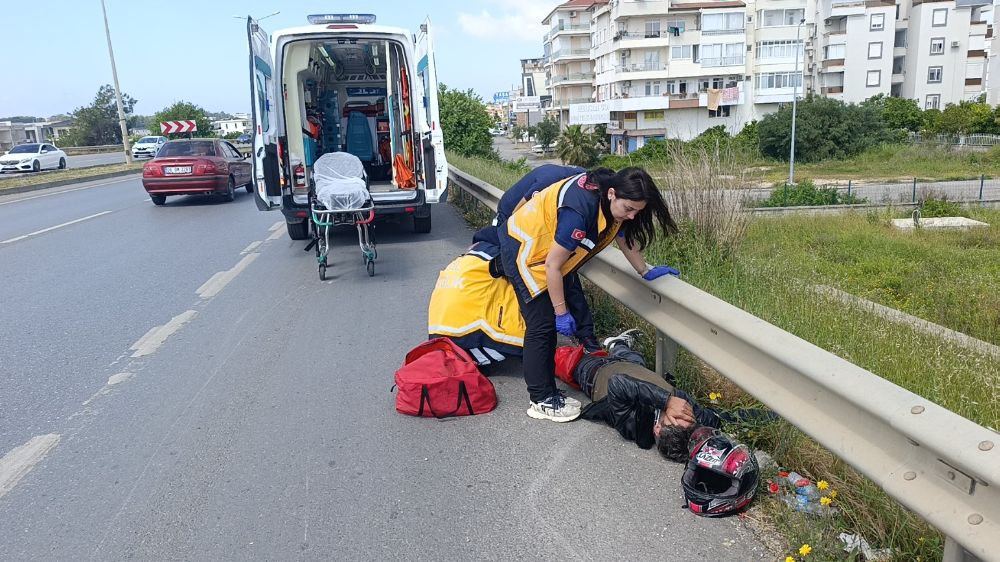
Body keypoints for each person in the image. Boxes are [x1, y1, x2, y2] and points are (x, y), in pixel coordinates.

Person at [497, 166, 679, 422]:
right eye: (629, 209)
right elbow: (552, 266)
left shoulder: (610, 200)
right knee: (541, 326)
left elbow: (622, 233)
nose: (631, 216)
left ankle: (548, 393)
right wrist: (561, 311)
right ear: (613, 193)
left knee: (545, 325)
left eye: (637, 211)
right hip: (523, 250)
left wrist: (643, 269)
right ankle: (540, 400)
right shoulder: (579, 210)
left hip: (545, 254)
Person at [556, 330, 774, 461]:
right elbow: (722, 418)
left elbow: (618, 383)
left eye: (679, 418)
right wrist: (775, 418)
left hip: (594, 371)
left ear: (657, 429)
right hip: (637, 368)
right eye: (689, 420)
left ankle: (614, 346)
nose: (687, 414)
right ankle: (617, 344)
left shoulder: (631, 424)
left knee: (553, 350)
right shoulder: (687, 423)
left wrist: (667, 401)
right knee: (633, 359)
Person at [472, 164, 603, 352]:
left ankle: (584, 333)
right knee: (525, 273)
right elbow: (517, 215)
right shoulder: (551, 183)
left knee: (562, 272)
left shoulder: (582, 184)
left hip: (545, 224)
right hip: (512, 218)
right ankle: (511, 327)